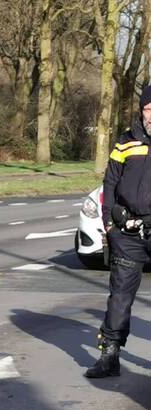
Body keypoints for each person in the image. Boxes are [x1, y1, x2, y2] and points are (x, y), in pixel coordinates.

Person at [86, 85, 151, 378]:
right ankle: (109, 356)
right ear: (142, 110)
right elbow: (110, 183)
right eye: (149, 109)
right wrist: (110, 224)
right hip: (127, 233)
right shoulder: (126, 142)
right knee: (120, 295)